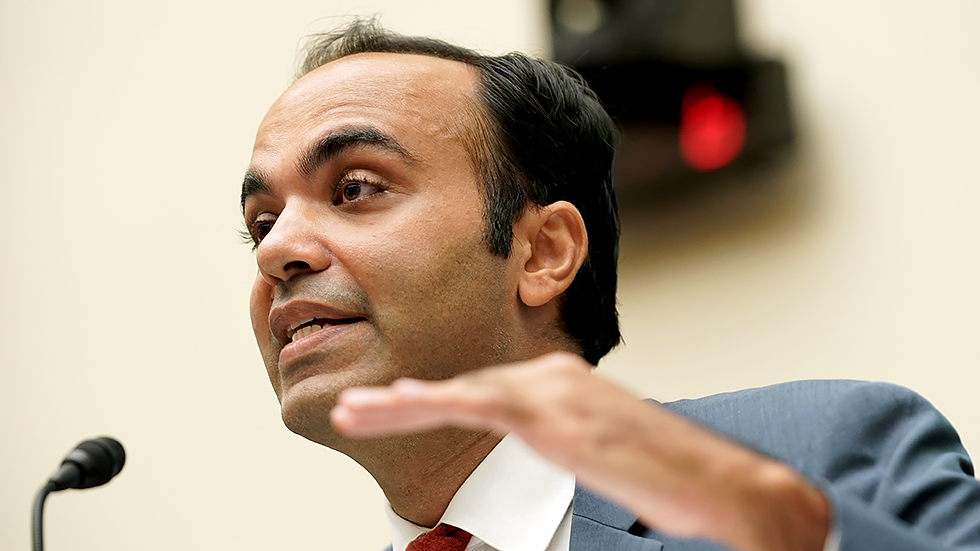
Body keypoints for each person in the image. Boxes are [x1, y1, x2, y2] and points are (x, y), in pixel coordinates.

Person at [241, 19, 980, 551]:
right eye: (262, 219)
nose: (278, 250)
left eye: (357, 187)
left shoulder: (829, 456)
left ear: (541, 253)